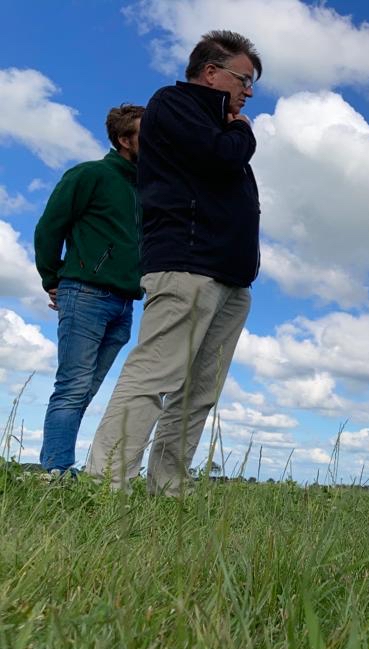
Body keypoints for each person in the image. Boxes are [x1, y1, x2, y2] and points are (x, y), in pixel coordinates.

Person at [86, 30, 262, 495]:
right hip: (188, 264)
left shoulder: (216, 124)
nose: (248, 92)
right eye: (244, 79)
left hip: (229, 277)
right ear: (211, 72)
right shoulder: (175, 103)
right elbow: (220, 158)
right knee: (155, 374)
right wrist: (242, 131)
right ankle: (105, 486)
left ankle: (168, 488)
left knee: (200, 391)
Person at [34, 104, 145, 475]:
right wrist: (52, 278)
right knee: (72, 386)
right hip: (85, 294)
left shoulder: (145, 189)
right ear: (124, 140)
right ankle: (57, 472)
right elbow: (49, 227)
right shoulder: (90, 174)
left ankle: (59, 467)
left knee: (86, 390)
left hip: (125, 304)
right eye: (147, 134)